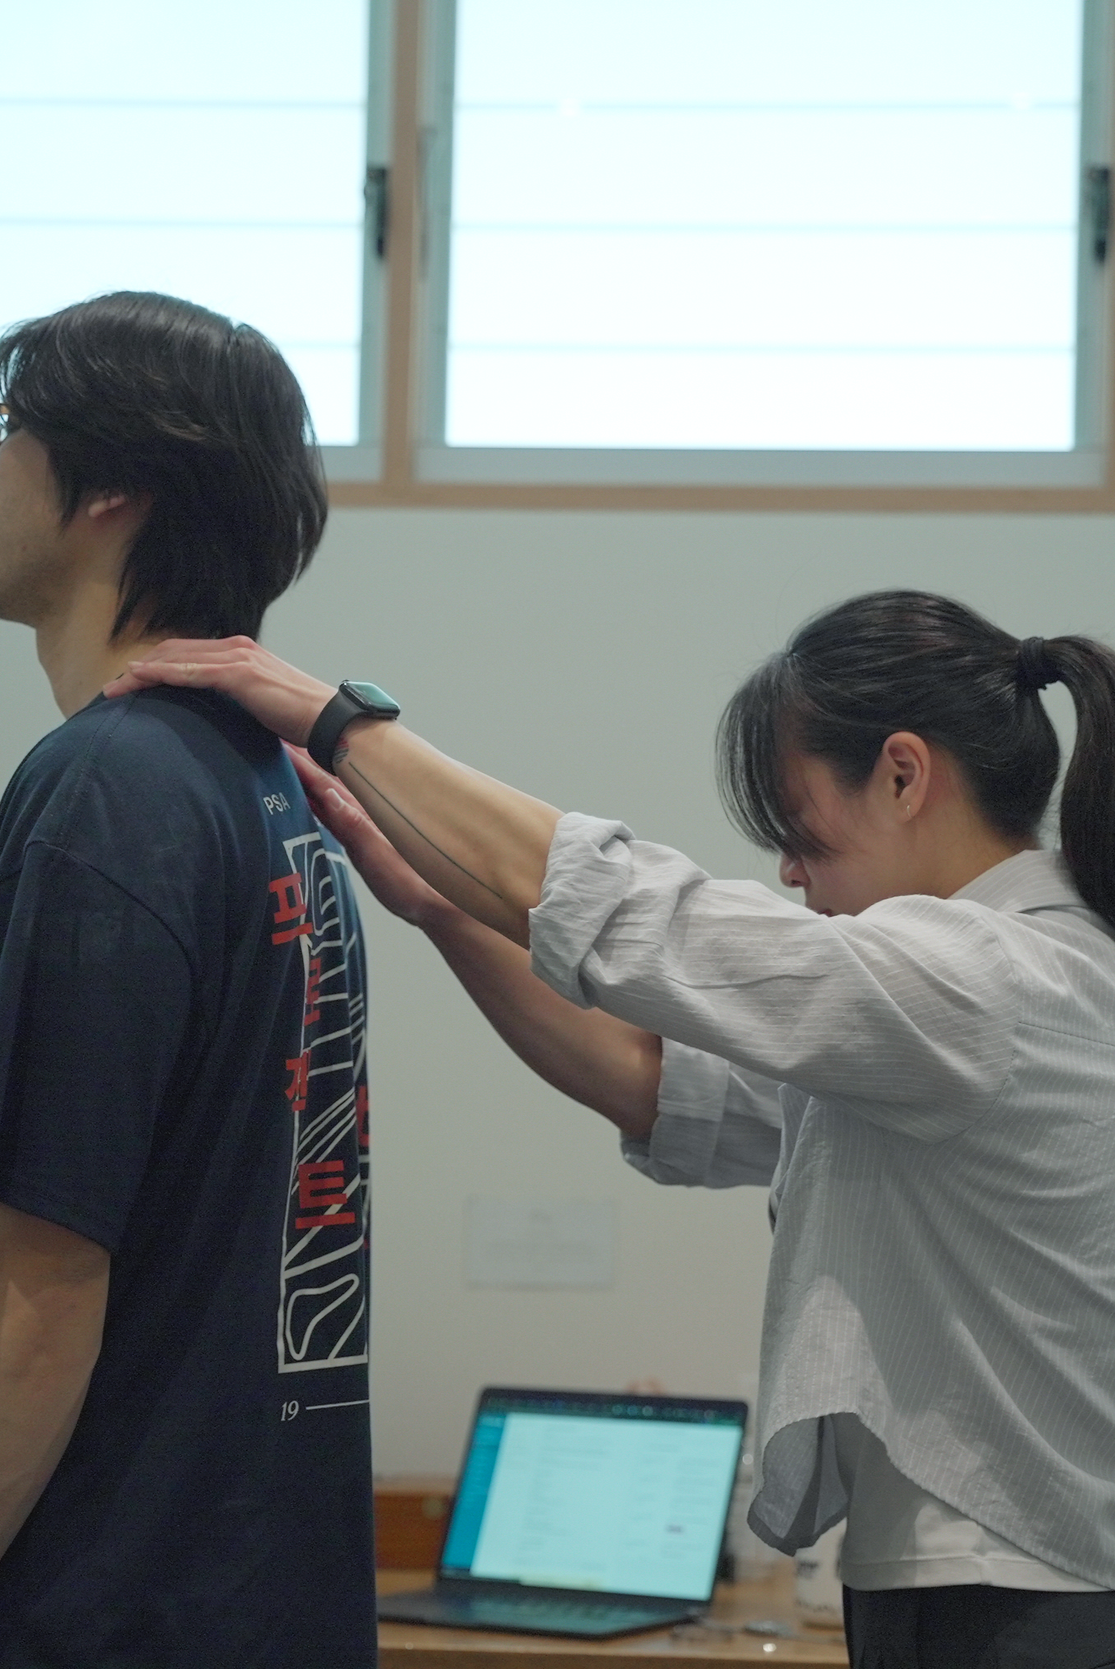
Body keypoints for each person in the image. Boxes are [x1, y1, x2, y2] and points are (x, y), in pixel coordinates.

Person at [108, 592, 1115, 1669]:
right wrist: (441, 906)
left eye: (794, 821)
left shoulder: (986, 981)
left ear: (904, 775)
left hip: (1022, 1596)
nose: (787, 868)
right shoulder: (932, 1024)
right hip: (978, 1583)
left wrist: (337, 721)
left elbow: (646, 919)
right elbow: (648, 1077)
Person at [0, 293, 377, 1669]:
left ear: (115, 489)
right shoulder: (268, 790)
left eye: (6, 435)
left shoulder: (107, 788)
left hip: (99, 1610)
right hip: (257, 1592)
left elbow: (35, 1269)